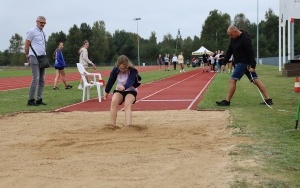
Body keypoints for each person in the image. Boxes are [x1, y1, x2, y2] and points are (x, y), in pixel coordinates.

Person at [216, 26, 273, 106]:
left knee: (232, 80)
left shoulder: (245, 39)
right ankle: (268, 99)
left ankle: (227, 101)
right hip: (243, 64)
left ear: (235, 31)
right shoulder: (233, 38)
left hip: (243, 63)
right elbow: (229, 51)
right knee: (255, 80)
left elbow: (251, 52)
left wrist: (253, 66)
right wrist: (223, 63)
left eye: (231, 35)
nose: (230, 37)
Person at [103, 55, 139, 126]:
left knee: (127, 104)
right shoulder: (116, 69)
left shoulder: (132, 70)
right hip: (120, 90)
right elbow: (111, 80)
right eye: (121, 68)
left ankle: (129, 126)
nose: (123, 70)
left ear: (127, 66)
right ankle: (113, 125)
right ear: (118, 66)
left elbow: (131, 81)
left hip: (131, 91)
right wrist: (106, 92)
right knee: (113, 102)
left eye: (125, 68)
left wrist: (124, 86)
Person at [24, 16, 48, 106]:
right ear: (37, 22)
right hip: (34, 56)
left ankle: (39, 99)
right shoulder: (32, 31)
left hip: (42, 57)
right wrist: (27, 56)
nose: (43, 24)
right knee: (36, 78)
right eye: (41, 22)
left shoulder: (43, 33)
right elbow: (26, 45)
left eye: (44, 23)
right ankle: (30, 100)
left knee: (42, 79)